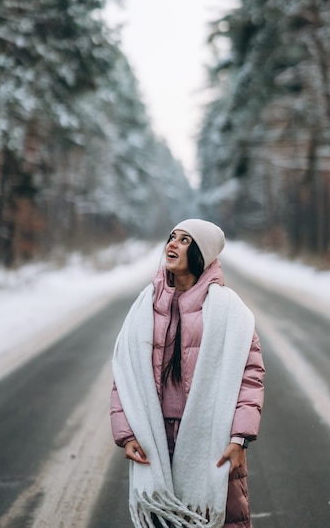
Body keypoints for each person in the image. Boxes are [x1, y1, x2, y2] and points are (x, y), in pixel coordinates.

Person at [110, 218, 265, 528]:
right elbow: (124, 376)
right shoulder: (145, 306)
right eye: (172, 237)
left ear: (201, 254)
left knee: (216, 517)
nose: (172, 244)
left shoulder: (228, 311)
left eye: (184, 241)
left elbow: (250, 378)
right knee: (163, 517)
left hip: (213, 439)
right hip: (157, 437)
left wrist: (239, 439)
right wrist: (127, 435)